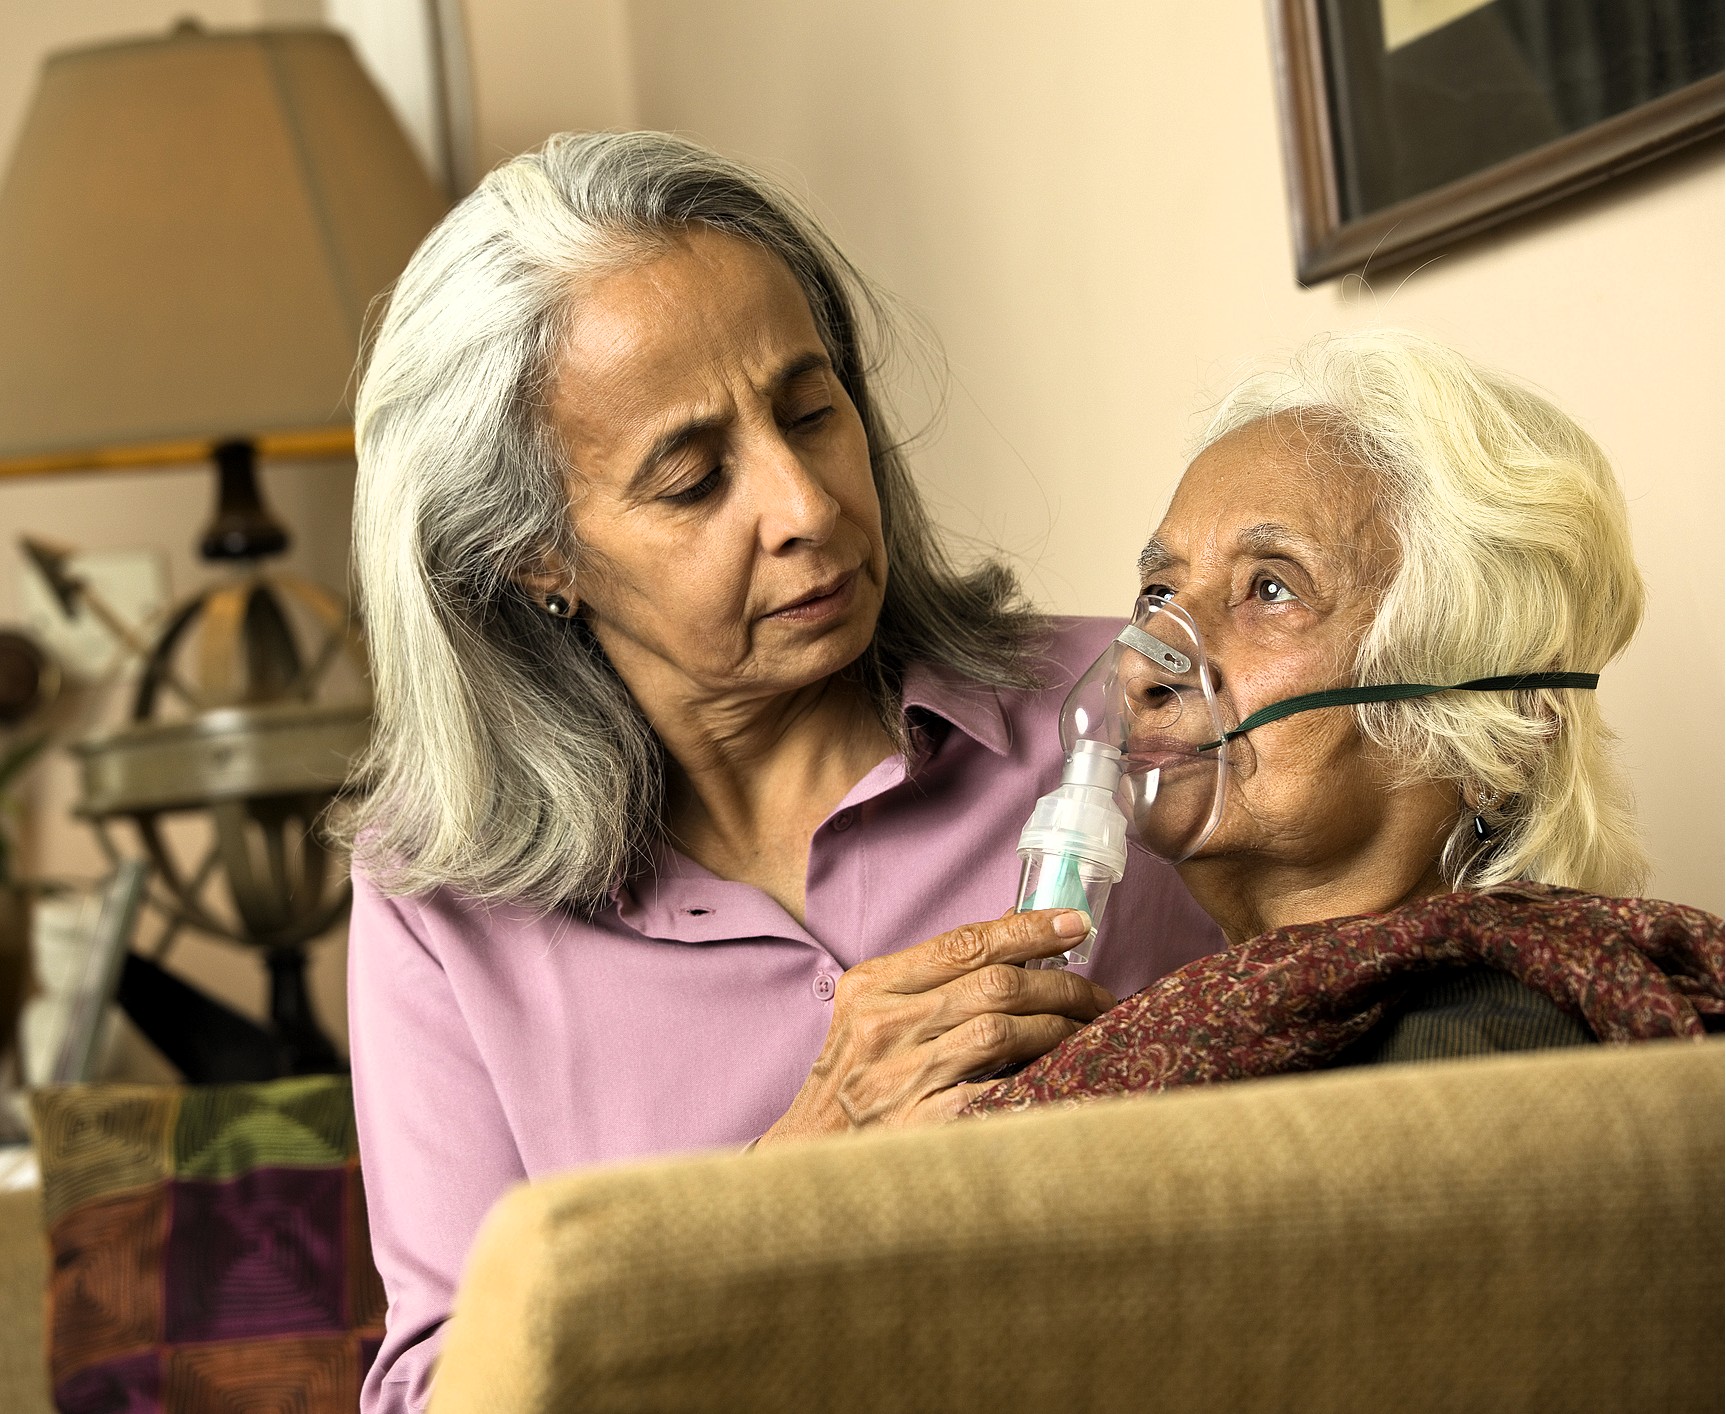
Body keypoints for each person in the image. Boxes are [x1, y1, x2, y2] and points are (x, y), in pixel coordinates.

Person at [342, 131, 1221, 1411]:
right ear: (539, 560)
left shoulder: (1136, 710)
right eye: (694, 479)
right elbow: (437, 1394)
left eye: (812, 411)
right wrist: (783, 1186)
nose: (806, 501)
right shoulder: (440, 904)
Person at [967, 330, 1722, 1117]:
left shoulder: (1476, 1062)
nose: (1140, 664)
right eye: (1159, 592)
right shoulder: (1216, 1036)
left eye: (1270, 589)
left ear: (1495, 723)